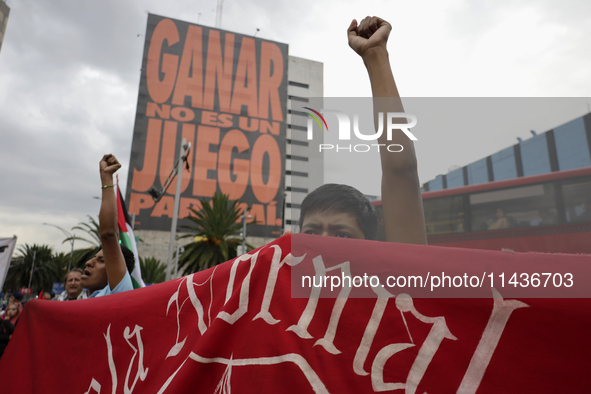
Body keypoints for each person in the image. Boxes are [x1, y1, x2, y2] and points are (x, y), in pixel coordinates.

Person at [299, 16, 427, 245]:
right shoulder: (277, 278)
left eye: (342, 235)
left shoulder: (392, 279)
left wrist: (375, 55)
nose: (324, 242)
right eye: (310, 232)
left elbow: (401, 169)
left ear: (368, 244)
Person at [80, 154, 134, 298]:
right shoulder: (77, 303)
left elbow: (108, 235)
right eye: (94, 258)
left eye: (102, 261)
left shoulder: (120, 293)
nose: (88, 263)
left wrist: (106, 177)